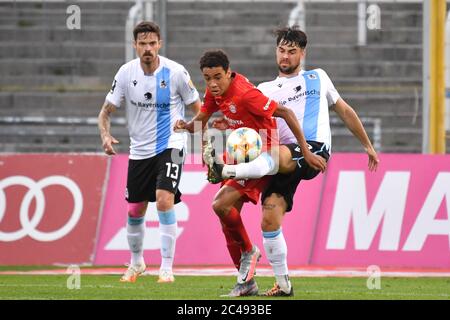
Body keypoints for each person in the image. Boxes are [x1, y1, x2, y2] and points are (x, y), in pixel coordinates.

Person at [224, 26, 379, 296]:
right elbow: (255, 130)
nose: (285, 56)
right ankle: (284, 285)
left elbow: (344, 110)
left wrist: (367, 145)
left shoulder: (318, 77)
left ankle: (228, 169)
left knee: (276, 157)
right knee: (269, 218)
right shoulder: (264, 89)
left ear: (302, 53)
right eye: (282, 51)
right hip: (282, 158)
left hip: (312, 150)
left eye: (292, 52)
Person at [174, 49, 326, 296]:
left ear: (229, 72)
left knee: (220, 204)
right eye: (207, 78)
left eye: (217, 77)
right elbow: (202, 118)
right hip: (241, 150)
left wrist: (306, 152)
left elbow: (285, 113)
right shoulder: (216, 92)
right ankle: (246, 281)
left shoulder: (246, 95)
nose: (212, 84)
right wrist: (186, 126)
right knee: (227, 217)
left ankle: (249, 252)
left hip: (262, 153)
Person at [97, 21, 201, 284]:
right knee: (135, 210)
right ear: (134, 45)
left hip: (171, 145)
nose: (148, 49)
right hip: (139, 151)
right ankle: (137, 263)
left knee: (164, 198)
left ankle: (166, 267)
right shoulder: (125, 73)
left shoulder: (176, 72)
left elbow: (199, 109)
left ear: (159, 44)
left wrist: (192, 130)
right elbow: (105, 112)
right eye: (142, 44)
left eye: (152, 43)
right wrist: (105, 135)